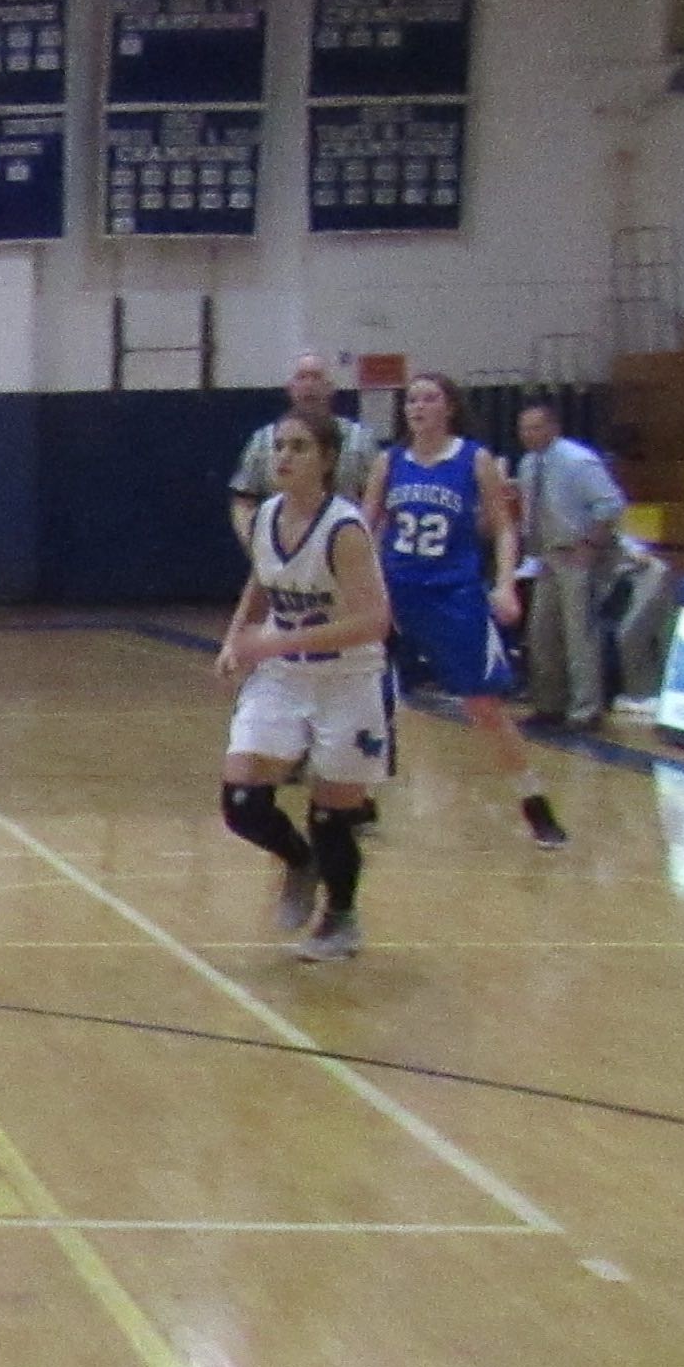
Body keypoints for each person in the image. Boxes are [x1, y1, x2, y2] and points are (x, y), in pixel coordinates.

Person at [214, 408, 392, 965]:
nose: (283, 457)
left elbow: (374, 622)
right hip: (285, 676)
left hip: (347, 678)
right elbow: (262, 581)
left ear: (328, 460)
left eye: (298, 447)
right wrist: (235, 636)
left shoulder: (344, 529)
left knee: (333, 812)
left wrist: (274, 643)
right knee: (241, 796)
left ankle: (341, 917)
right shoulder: (266, 515)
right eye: (279, 446)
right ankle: (298, 860)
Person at [364, 372, 562, 848]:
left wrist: (505, 584)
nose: (418, 407)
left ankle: (534, 802)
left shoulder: (475, 460)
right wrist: (361, 588)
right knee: (370, 698)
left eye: (429, 398)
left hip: (453, 595)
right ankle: (360, 797)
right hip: (394, 592)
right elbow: (365, 526)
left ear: (449, 407)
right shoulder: (389, 462)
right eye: (411, 399)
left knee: (483, 704)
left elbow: (503, 528)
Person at [505, 401, 628, 726]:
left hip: (577, 554)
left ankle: (586, 710)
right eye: (523, 428)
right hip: (546, 555)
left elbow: (611, 504)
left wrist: (590, 545)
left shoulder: (578, 460)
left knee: (580, 635)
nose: (528, 435)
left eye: (535, 427)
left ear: (553, 428)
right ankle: (549, 703)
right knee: (542, 633)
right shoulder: (529, 464)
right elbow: (532, 512)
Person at [228, 354, 376, 535]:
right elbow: (243, 500)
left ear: (331, 388)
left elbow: (376, 500)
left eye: (316, 377)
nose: (309, 384)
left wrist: (362, 539)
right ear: (290, 388)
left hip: (343, 542)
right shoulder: (263, 439)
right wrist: (254, 541)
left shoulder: (359, 438)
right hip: (282, 543)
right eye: (302, 377)